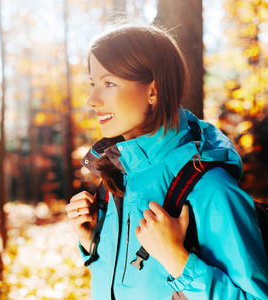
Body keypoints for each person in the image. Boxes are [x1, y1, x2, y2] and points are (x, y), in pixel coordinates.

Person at [66, 22, 268, 300]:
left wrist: (177, 260)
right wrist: (91, 241)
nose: (92, 100)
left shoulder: (211, 189)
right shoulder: (117, 177)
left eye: (108, 83)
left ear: (153, 91)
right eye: (92, 84)